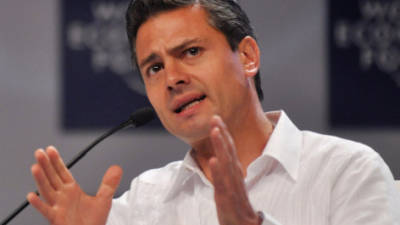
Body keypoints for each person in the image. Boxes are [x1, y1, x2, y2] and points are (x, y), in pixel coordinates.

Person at [27, 0, 400, 225]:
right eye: (154, 68)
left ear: (248, 57)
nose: (172, 78)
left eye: (190, 52)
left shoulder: (346, 172)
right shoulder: (145, 202)